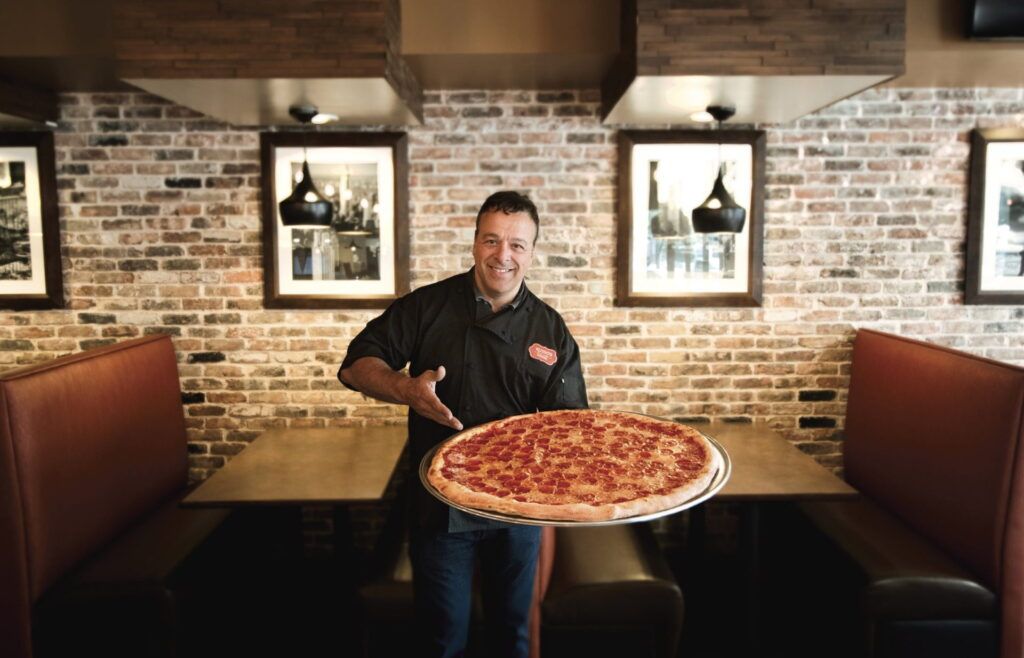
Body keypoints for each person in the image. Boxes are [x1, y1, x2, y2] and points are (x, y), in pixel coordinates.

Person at [338, 190, 588, 658]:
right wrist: (405, 388)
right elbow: (356, 366)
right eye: (492, 241)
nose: (503, 255)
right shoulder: (427, 307)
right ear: (474, 243)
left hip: (518, 509)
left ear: (532, 252)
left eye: (517, 245)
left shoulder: (550, 329)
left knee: (511, 635)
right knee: (441, 638)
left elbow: (571, 427)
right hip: (440, 508)